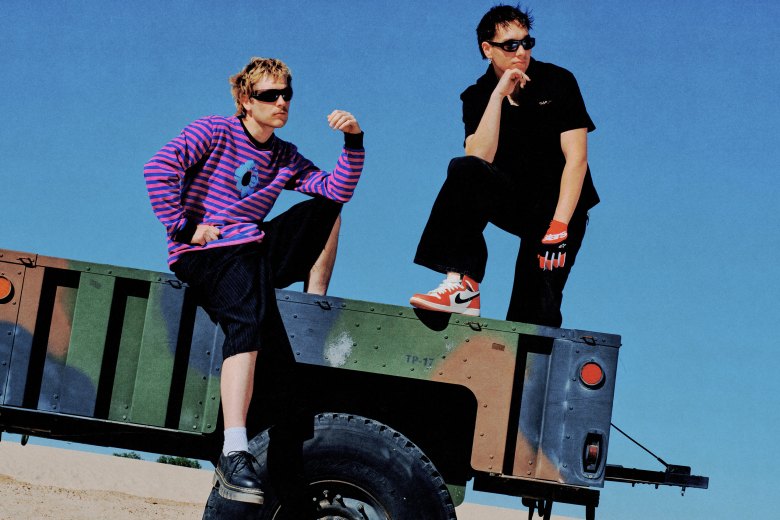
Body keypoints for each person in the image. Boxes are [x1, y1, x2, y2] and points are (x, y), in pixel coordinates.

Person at [143, 57, 364, 505]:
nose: (281, 102)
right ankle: (234, 451)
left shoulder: (282, 154)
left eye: (287, 94)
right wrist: (185, 228)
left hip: (251, 249)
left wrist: (353, 140)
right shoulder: (213, 131)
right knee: (248, 317)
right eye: (269, 95)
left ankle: (313, 297)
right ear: (245, 100)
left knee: (327, 207)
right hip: (205, 253)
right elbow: (157, 170)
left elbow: (336, 188)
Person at [409, 4, 599, 327]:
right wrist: (498, 95)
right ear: (488, 50)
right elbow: (478, 157)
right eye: (510, 45)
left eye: (526, 43)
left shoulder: (558, 81)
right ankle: (462, 286)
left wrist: (560, 224)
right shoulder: (477, 95)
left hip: (560, 209)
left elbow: (577, 160)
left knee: (532, 313)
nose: (521, 52)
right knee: (464, 170)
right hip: (515, 199)